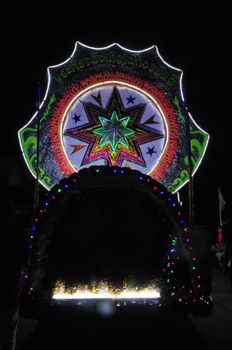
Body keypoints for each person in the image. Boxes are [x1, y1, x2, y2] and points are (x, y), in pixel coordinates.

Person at [0, 169, 24, 350]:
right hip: (8, 297)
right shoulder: (15, 235)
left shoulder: (14, 236)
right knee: (8, 338)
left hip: (9, 296)